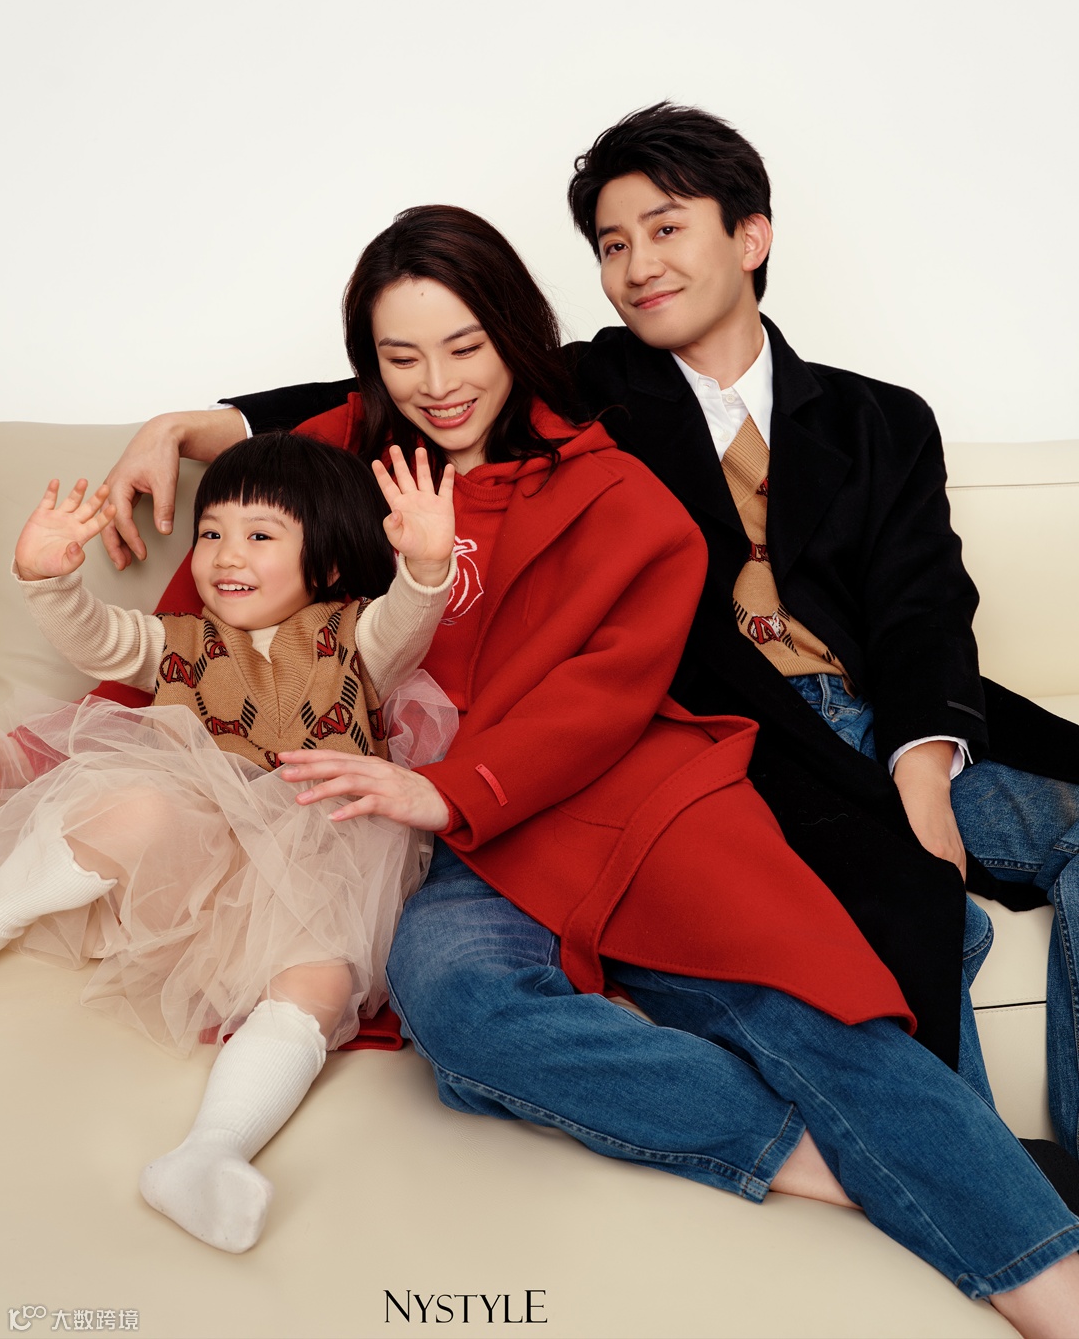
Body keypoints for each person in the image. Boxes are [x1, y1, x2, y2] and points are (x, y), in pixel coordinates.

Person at [92, 204, 1079, 1331]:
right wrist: (183, 427)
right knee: (458, 1004)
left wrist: (451, 787)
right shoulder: (335, 463)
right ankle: (830, 1159)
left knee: (807, 1002)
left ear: (517, 336)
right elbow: (213, 623)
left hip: (623, 796)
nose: (438, 385)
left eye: (466, 347)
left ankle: (1052, 1285)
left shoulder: (609, 483)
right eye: (402, 358)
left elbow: (612, 683)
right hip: (451, 855)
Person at [1, 432, 458, 1253]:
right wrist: (49, 577)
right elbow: (98, 638)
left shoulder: (355, 639)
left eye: (260, 534)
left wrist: (426, 566)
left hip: (309, 876)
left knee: (322, 976)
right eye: (211, 532)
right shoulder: (178, 642)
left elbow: (408, 619)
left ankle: (208, 1154)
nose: (225, 555)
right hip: (187, 873)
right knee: (136, 801)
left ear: (325, 562)